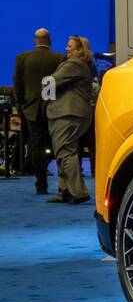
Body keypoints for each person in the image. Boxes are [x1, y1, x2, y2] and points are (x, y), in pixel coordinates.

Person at [11, 28, 64, 195]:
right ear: (49, 40)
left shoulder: (22, 58)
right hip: (53, 109)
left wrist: (21, 107)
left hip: (30, 110)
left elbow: (17, 86)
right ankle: (64, 185)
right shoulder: (58, 58)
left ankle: (41, 185)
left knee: (36, 147)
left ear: (35, 40)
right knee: (58, 146)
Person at [45, 35, 96, 205]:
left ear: (80, 51)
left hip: (67, 114)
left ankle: (78, 192)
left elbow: (50, 82)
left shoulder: (74, 64)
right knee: (64, 151)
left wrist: (46, 93)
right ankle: (65, 191)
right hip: (72, 114)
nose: (66, 49)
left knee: (66, 152)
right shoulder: (83, 65)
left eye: (70, 46)